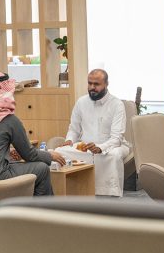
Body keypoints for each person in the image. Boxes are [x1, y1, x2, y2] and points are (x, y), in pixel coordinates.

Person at [0, 73, 65, 196]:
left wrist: (9, 152)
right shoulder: (8, 119)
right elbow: (30, 155)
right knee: (42, 169)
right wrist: (50, 155)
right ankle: (41, 208)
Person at [54, 69, 130, 197]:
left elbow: (117, 138)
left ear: (106, 84)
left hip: (112, 146)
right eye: (90, 83)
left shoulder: (117, 105)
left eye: (96, 84)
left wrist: (100, 148)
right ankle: (69, 190)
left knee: (114, 156)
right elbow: (74, 129)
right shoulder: (81, 102)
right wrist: (69, 140)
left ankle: (108, 195)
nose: (92, 87)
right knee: (59, 152)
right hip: (85, 146)